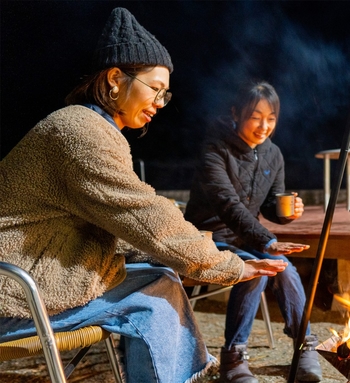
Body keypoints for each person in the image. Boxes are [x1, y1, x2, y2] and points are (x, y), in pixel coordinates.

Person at [0, 8, 286, 383]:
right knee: (155, 295)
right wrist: (226, 265)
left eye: (165, 94)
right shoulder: (78, 131)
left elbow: (124, 227)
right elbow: (145, 216)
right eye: (155, 89)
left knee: (161, 277)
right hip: (16, 294)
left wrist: (203, 252)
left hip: (41, 277)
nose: (159, 103)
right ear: (116, 79)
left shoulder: (94, 129)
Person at [184, 81, 323, 383]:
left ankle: (305, 347)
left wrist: (286, 214)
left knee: (283, 267)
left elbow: (272, 204)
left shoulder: (273, 154)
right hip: (207, 238)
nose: (264, 126)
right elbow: (228, 206)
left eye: (271, 117)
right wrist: (268, 240)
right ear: (236, 113)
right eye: (255, 116)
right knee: (257, 269)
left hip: (246, 238)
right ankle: (233, 358)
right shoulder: (214, 149)